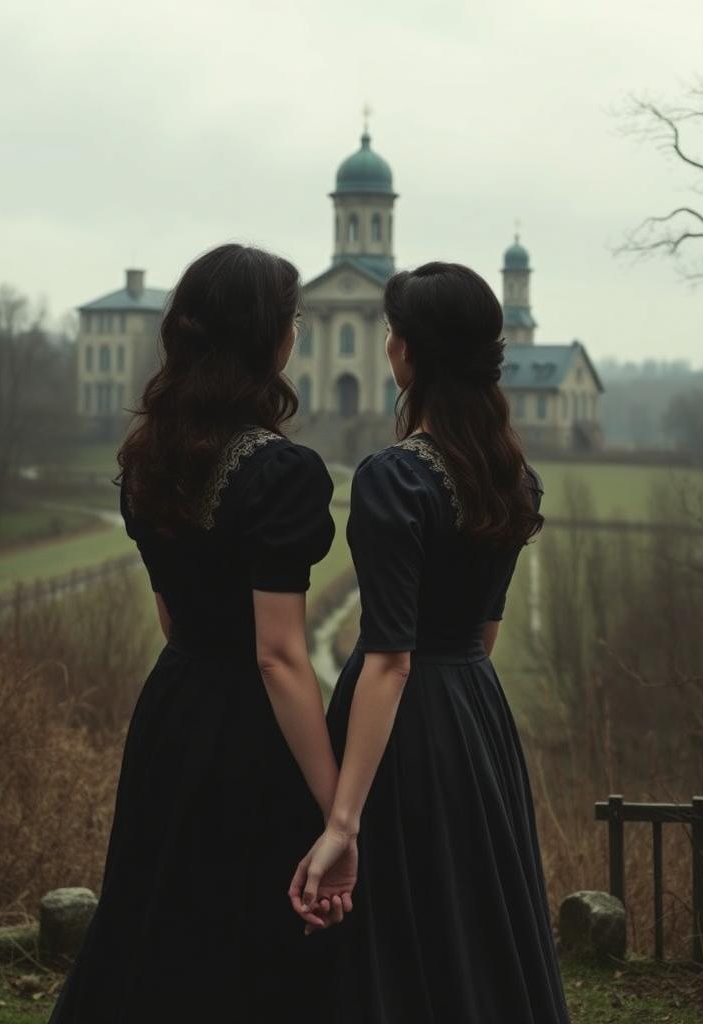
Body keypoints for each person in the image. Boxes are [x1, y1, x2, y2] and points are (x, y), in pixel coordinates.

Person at [49, 243, 342, 1023]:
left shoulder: (149, 458)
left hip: (172, 713)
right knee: (248, 945)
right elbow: (280, 654)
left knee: (156, 927)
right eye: (292, 320)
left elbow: (172, 616)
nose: (296, 334)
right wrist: (337, 805)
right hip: (251, 732)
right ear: (267, 338)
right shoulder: (284, 473)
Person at [289, 262, 571, 1023]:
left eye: (392, 332)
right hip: (477, 718)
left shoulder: (394, 477)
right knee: (475, 929)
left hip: (401, 733)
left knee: (393, 943)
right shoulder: (515, 475)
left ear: (409, 354)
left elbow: (389, 657)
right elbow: (483, 629)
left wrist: (343, 822)